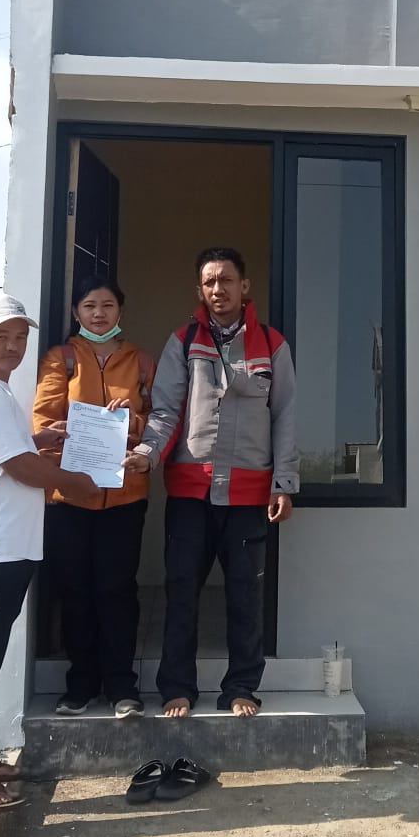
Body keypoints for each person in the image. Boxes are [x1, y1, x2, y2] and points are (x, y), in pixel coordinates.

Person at [0, 295, 100, 811]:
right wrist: (75, 482)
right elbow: (20, 468)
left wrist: (37, 438)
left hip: (3, 550)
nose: (12, 346)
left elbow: (7, 452)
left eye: (20, 337)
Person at [126, 247, 298, 719]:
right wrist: (146, 454)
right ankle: (177, 687)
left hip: (247, 496)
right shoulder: (183, 342)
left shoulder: (272, 344)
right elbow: (166, 411)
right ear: (199, 290)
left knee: (245, 595)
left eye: (226, 280)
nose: (218, 290)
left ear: (244, 287)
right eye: (209, 282)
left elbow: (285, 417)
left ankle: (241, 687)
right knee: (181, 591)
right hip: (190, 493)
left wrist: (283, 482)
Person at [33, 273, 156, 719]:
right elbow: (42, 421)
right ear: (76, 312)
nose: (98, 314)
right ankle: (81, 684)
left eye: (107, 305)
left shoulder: (141, 361)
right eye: (89, 306)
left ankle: (122, 685)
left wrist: (131, 423)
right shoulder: (60, 359)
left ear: (120, 310)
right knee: (76, 590)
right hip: (70, 496)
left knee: (117, 589)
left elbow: (160, 419)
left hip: (124, 495)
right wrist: (67, 434)